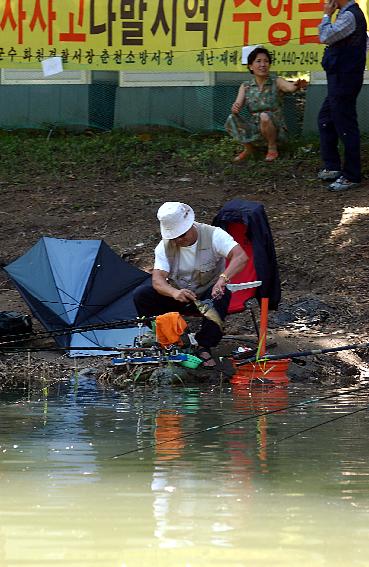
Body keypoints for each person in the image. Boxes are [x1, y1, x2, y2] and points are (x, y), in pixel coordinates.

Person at [133, 202, 248, 368]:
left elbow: (240, 257)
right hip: (180, 296)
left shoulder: (214, 235)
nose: (179, 240)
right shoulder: (163, 247)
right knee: (142, 295)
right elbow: (158, 280)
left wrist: (223, 279)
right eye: (174, 237)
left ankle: (204, 346)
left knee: (221, 294)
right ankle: (171, 340)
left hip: (207, 296)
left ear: (190, 226)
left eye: (182, 234)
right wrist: (173, 292)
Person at [317, 0, 367, 191]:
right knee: (325, 119)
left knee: (345, 125)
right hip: (340, 77)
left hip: (345, 79)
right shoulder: (349, 14)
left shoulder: (349, 15)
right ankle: (333, 166)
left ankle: (352, 175)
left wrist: (326, 15)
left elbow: (325, 36)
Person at [225, 47, 306, 163]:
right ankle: (249, 148)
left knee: (264, 116)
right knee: (231, 118)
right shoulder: (245, 86)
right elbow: (237, 105)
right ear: (250, 66)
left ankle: (272, 148)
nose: (263, 65)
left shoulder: (276, 81)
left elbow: (290, 87)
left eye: (266, 61)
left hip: (276, 130)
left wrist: (297, 85)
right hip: (255, 129)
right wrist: (235, 108)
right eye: (258, 61)